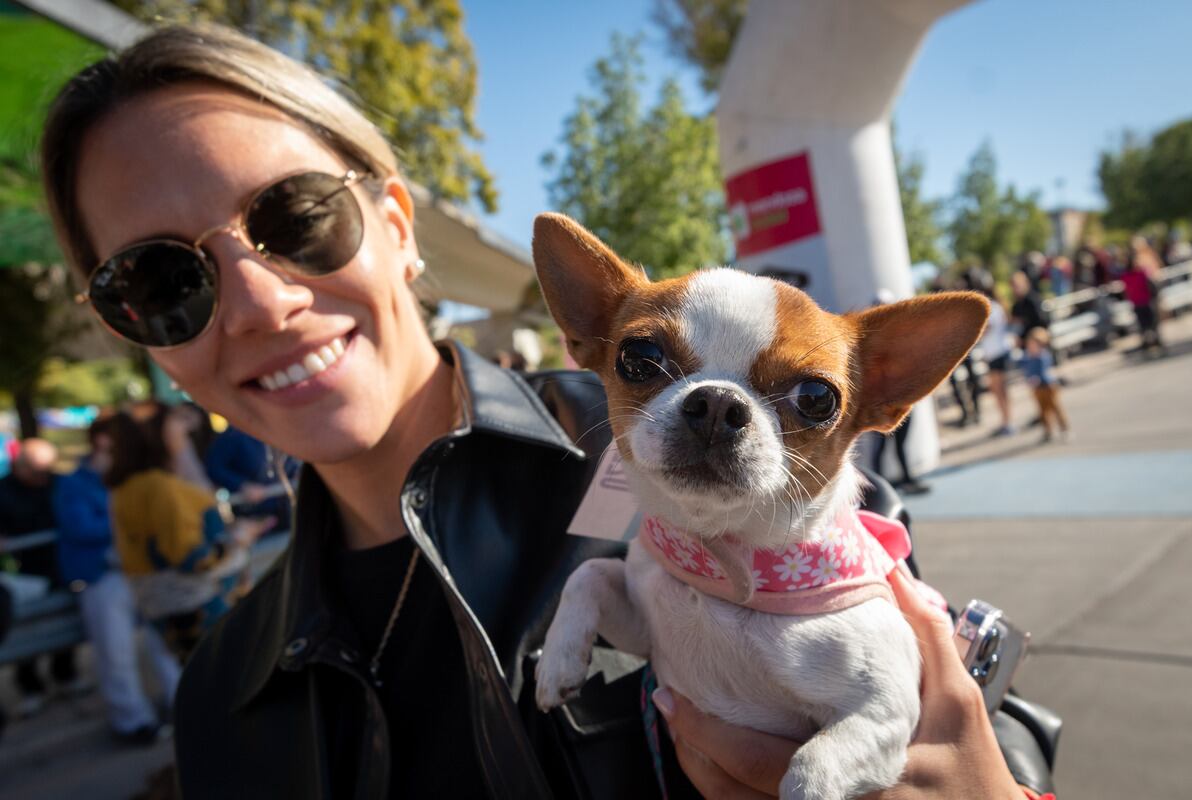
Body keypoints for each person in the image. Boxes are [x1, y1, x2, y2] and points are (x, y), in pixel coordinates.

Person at [42, 23, 1051, 799]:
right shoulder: (223, 696)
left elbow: (947, 696)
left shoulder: (731, 484)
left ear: (397, 224)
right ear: (136, 335)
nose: (264, 300)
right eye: (160, 279)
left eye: (297, 218)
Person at [52, 416, 181, 744]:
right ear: (102, 441)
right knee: (115, 652)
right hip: (104, 576)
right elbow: (79, 527)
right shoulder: (76, 483)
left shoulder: (137, 478)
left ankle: (181, 706)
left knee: (167, 644)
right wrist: (130, 524)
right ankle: (132, 721)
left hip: (145, 573)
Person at [105, 407, 271, 660]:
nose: (187, 438)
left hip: (168, 607)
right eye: (179, 431)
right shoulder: (162, 488)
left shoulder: (126, 487)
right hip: (200, 607)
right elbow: (191, 558)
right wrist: (239, 539)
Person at [0, 438, 82, 715]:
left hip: (60, 566)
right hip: (25, 572)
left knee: (64, 624)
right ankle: (31, 686)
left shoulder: (59, 483)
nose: (41, 478)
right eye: (35, 472)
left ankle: (65, 674)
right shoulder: (4, 490)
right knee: (27, 631)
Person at [976, 283, 1016, 436]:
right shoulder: (993, 307)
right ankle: (1005, 421)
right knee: (997, 390)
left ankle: (1008, 422)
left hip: (999, 353)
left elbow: (986, 329)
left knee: (1001, 390)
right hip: (993, 354)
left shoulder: (993, 307)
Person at [1020, 329, 1070, 444]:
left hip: (1048, 385)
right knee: (1042, 411)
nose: (1031, 346)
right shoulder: (1028, 357)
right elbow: (1025, 368)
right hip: (1037, 388)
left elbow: (1042, 370)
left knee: (1055, 407)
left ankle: (1064, 429)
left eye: (1034, 344)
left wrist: (1036, 378)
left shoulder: (1043, 356)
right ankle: (1048, 431)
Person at [1122, 237, 1165, 356]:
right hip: (1142, 300)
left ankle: (1154, 342)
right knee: (1146, 323)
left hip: (1146, 298)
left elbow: (1154, 275)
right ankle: (1150, 343)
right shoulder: (1135, 271)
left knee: (1151, 322)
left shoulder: (1147, 259)